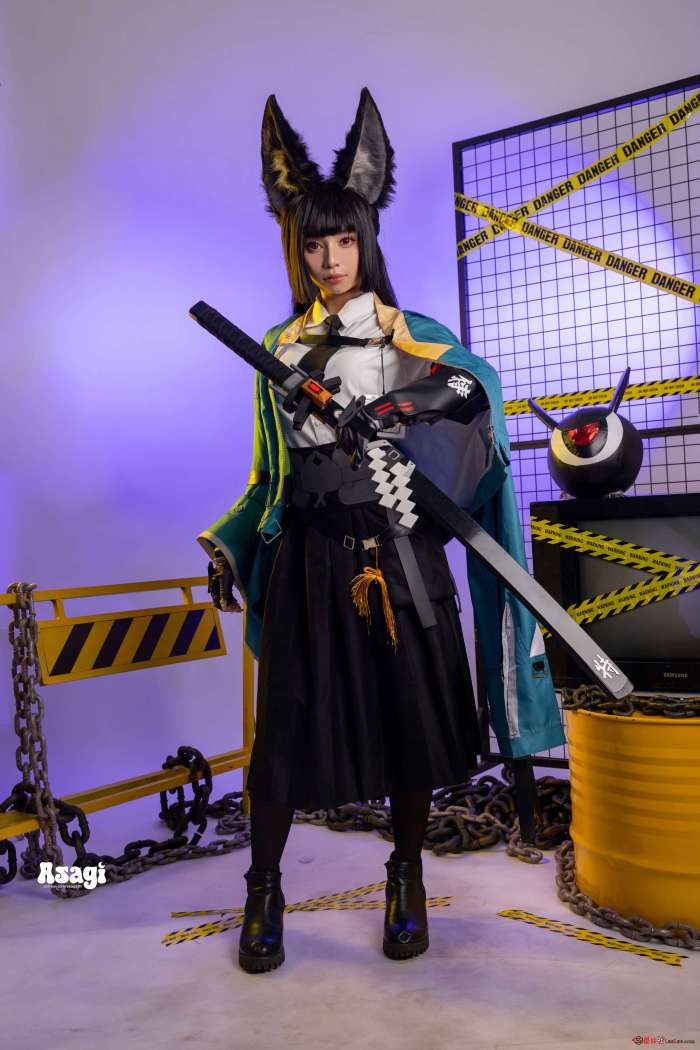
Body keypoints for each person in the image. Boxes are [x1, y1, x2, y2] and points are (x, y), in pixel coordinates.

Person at [198, 88, 565, 974]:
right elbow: (269, 476)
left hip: (402, 551)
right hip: (310, 560)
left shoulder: (421, 340)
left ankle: (407, 879)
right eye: (312, 243)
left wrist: (407, 409)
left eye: (343, 240)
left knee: (408, 721)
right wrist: (230, 542)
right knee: (283, 732)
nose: (329, 259)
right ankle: (264, 889)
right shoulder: (278, 350)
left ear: (366, 238)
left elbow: (476, 408)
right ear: (296, 245)